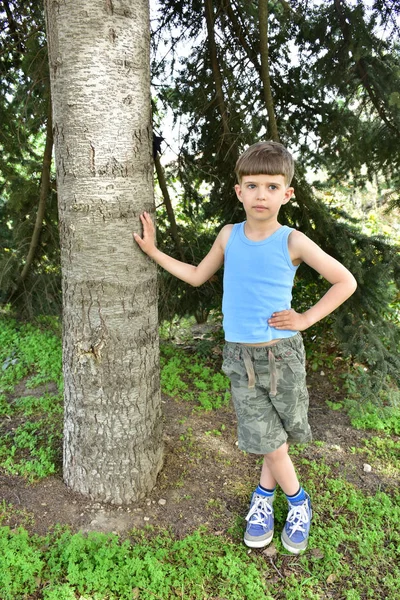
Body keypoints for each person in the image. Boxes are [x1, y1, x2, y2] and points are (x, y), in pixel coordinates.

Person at [133, 140, 357, 554]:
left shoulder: (293, 240)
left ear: (287, 193)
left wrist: (305, 318)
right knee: (266, 437)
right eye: (252, 185)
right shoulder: (229, 235)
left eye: (272, 186)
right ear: (239, 191)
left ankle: (263, 495)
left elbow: (346, 281)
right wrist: (153, 251)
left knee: (277, 436)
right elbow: (199, 275)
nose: (261, 194)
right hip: (241, 358)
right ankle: (298, 501)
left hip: (283, 356)